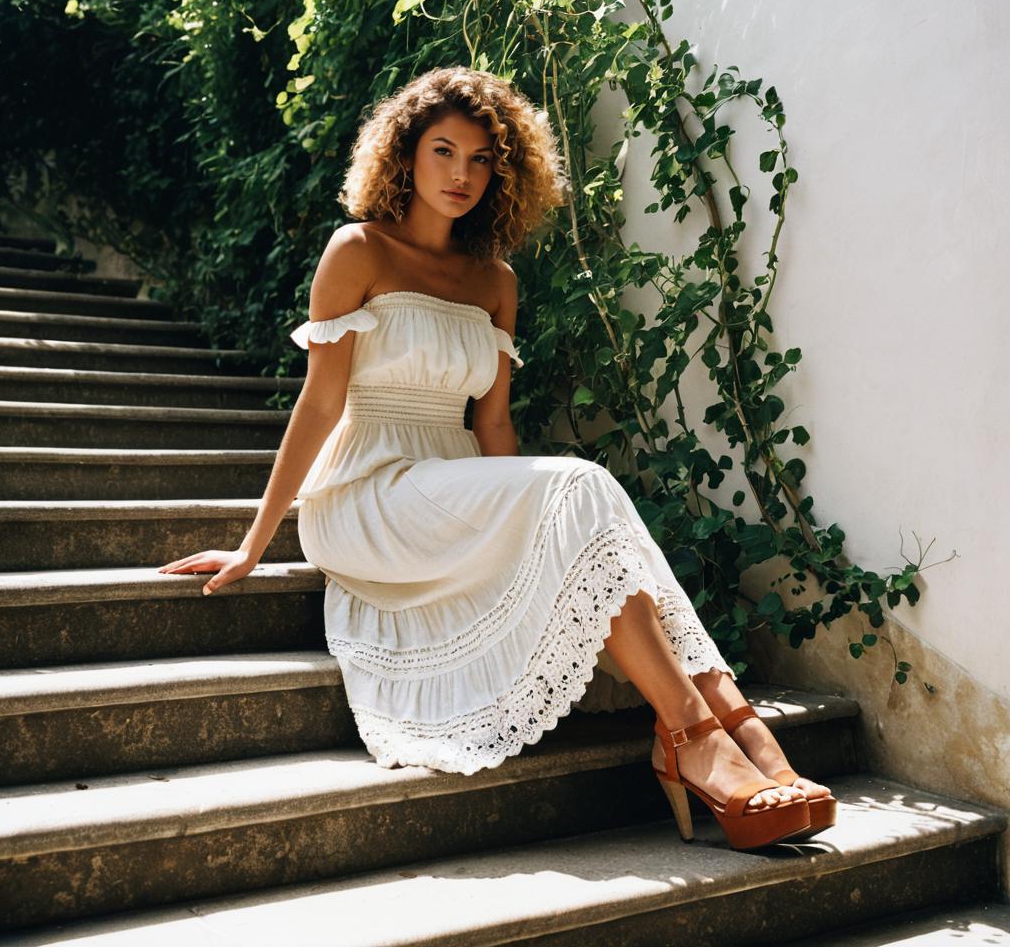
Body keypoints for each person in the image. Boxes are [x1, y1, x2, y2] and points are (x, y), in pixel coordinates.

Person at [158, 65, 836, 851]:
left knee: (582, 502)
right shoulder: (358, 251)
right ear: (404, 157)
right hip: (368, 493)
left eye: (482, 159)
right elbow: (319, 404)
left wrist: (529, 507)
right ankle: (704, 731)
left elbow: (495, 426)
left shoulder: (495, 282)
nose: (462, 175)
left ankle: (723, 724)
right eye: (444, 151)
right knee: (582, 485)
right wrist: (255, 540)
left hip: (455, 487)